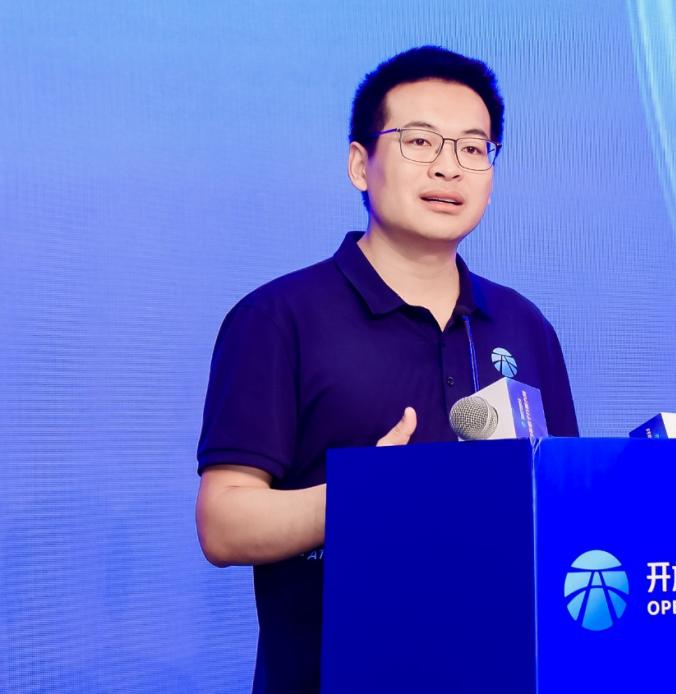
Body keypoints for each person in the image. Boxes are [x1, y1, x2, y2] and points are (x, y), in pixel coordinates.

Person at [195, 46, 579, 692]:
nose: (448, 167)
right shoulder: (279, 317)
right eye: (420, 141)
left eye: (472, 148)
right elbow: (223, 524)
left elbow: (560, 504)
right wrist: (362, 496)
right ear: (359, 164)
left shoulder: (523, 325)